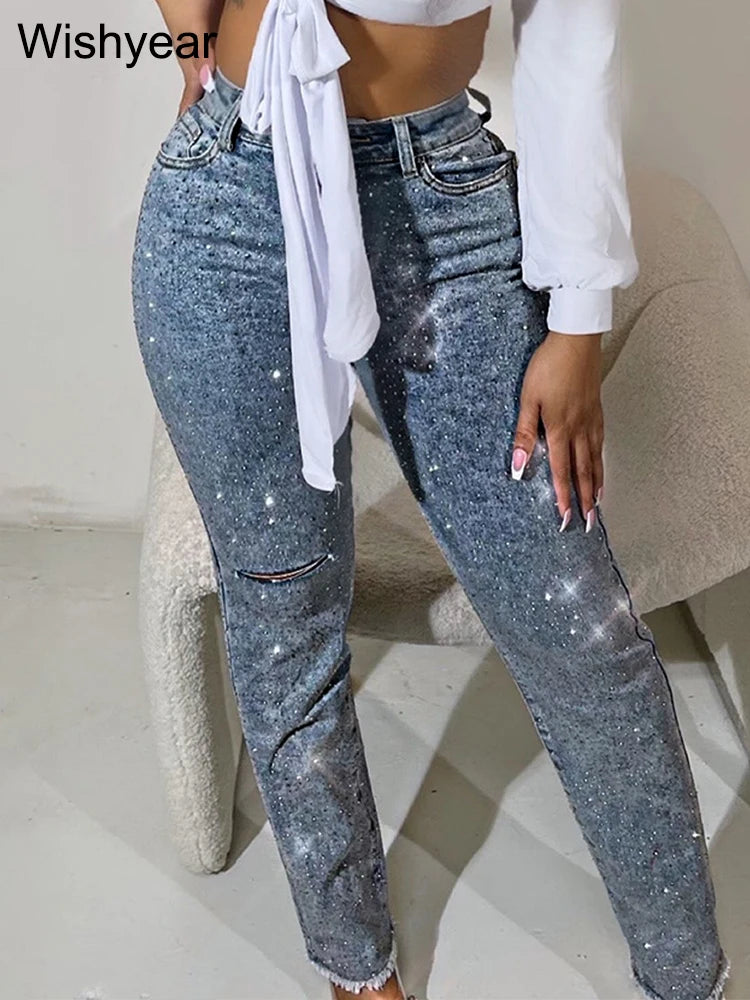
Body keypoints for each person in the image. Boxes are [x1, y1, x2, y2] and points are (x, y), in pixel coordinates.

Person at [130, 1, 731, 998]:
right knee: (282, 612)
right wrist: (196, 60)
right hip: (231, 187)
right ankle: (355, 967)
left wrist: (577, 323)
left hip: (440, 206)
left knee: (580, 628)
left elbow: (572, 35)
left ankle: (687, 973)